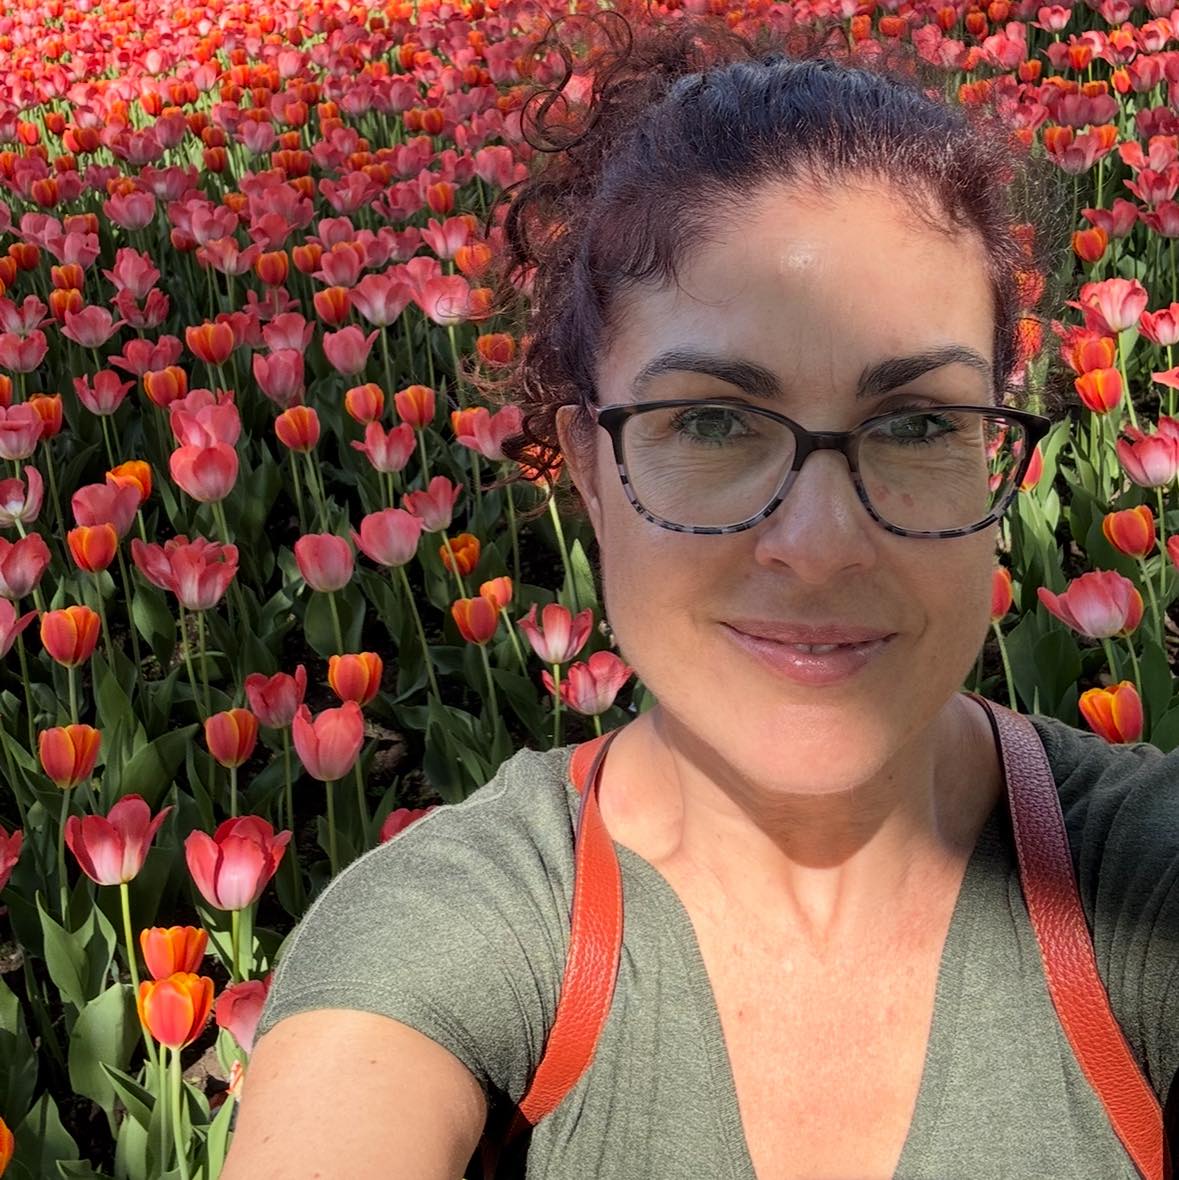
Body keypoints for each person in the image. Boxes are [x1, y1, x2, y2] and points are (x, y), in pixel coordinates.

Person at [223, 14, 1178, 1180]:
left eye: (920, 423)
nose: (819, 544)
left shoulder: (1140, 888)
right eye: (715, 422)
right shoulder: (456, 938)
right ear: (587, 467)